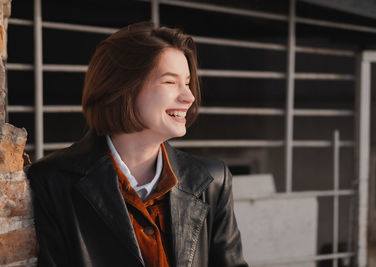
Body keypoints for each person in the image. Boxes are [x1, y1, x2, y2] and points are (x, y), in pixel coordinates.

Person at [27, 21, 248, 267]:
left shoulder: (213, 181)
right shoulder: (53, 182)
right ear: (122, 88)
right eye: (169, 82)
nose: (189, 96)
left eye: (186, 82)